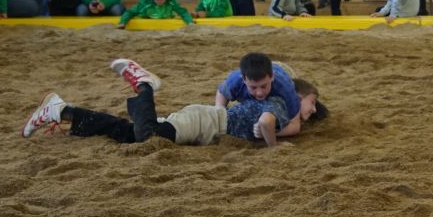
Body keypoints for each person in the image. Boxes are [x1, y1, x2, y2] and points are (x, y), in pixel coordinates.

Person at [21, 60, 322, 149]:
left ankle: (62, 110)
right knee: (148, 137)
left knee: (130, 134)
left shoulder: (281, 102)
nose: (311, 111)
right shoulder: (281, 104)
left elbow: (282, 125)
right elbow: (271, 123)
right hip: (205, 123)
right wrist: (273, 148)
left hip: (205, 121)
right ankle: (144, 85)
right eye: (311, 104)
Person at [215, 52, 303, 123]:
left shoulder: (285, 89)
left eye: (263, 86)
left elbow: (295, 124)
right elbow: (222, 92)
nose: (259, 92)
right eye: (253, 87)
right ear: (244, 80)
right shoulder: (235, 81)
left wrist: (264, 133)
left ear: (272, 77)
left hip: (284, 71)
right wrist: (220, 110)